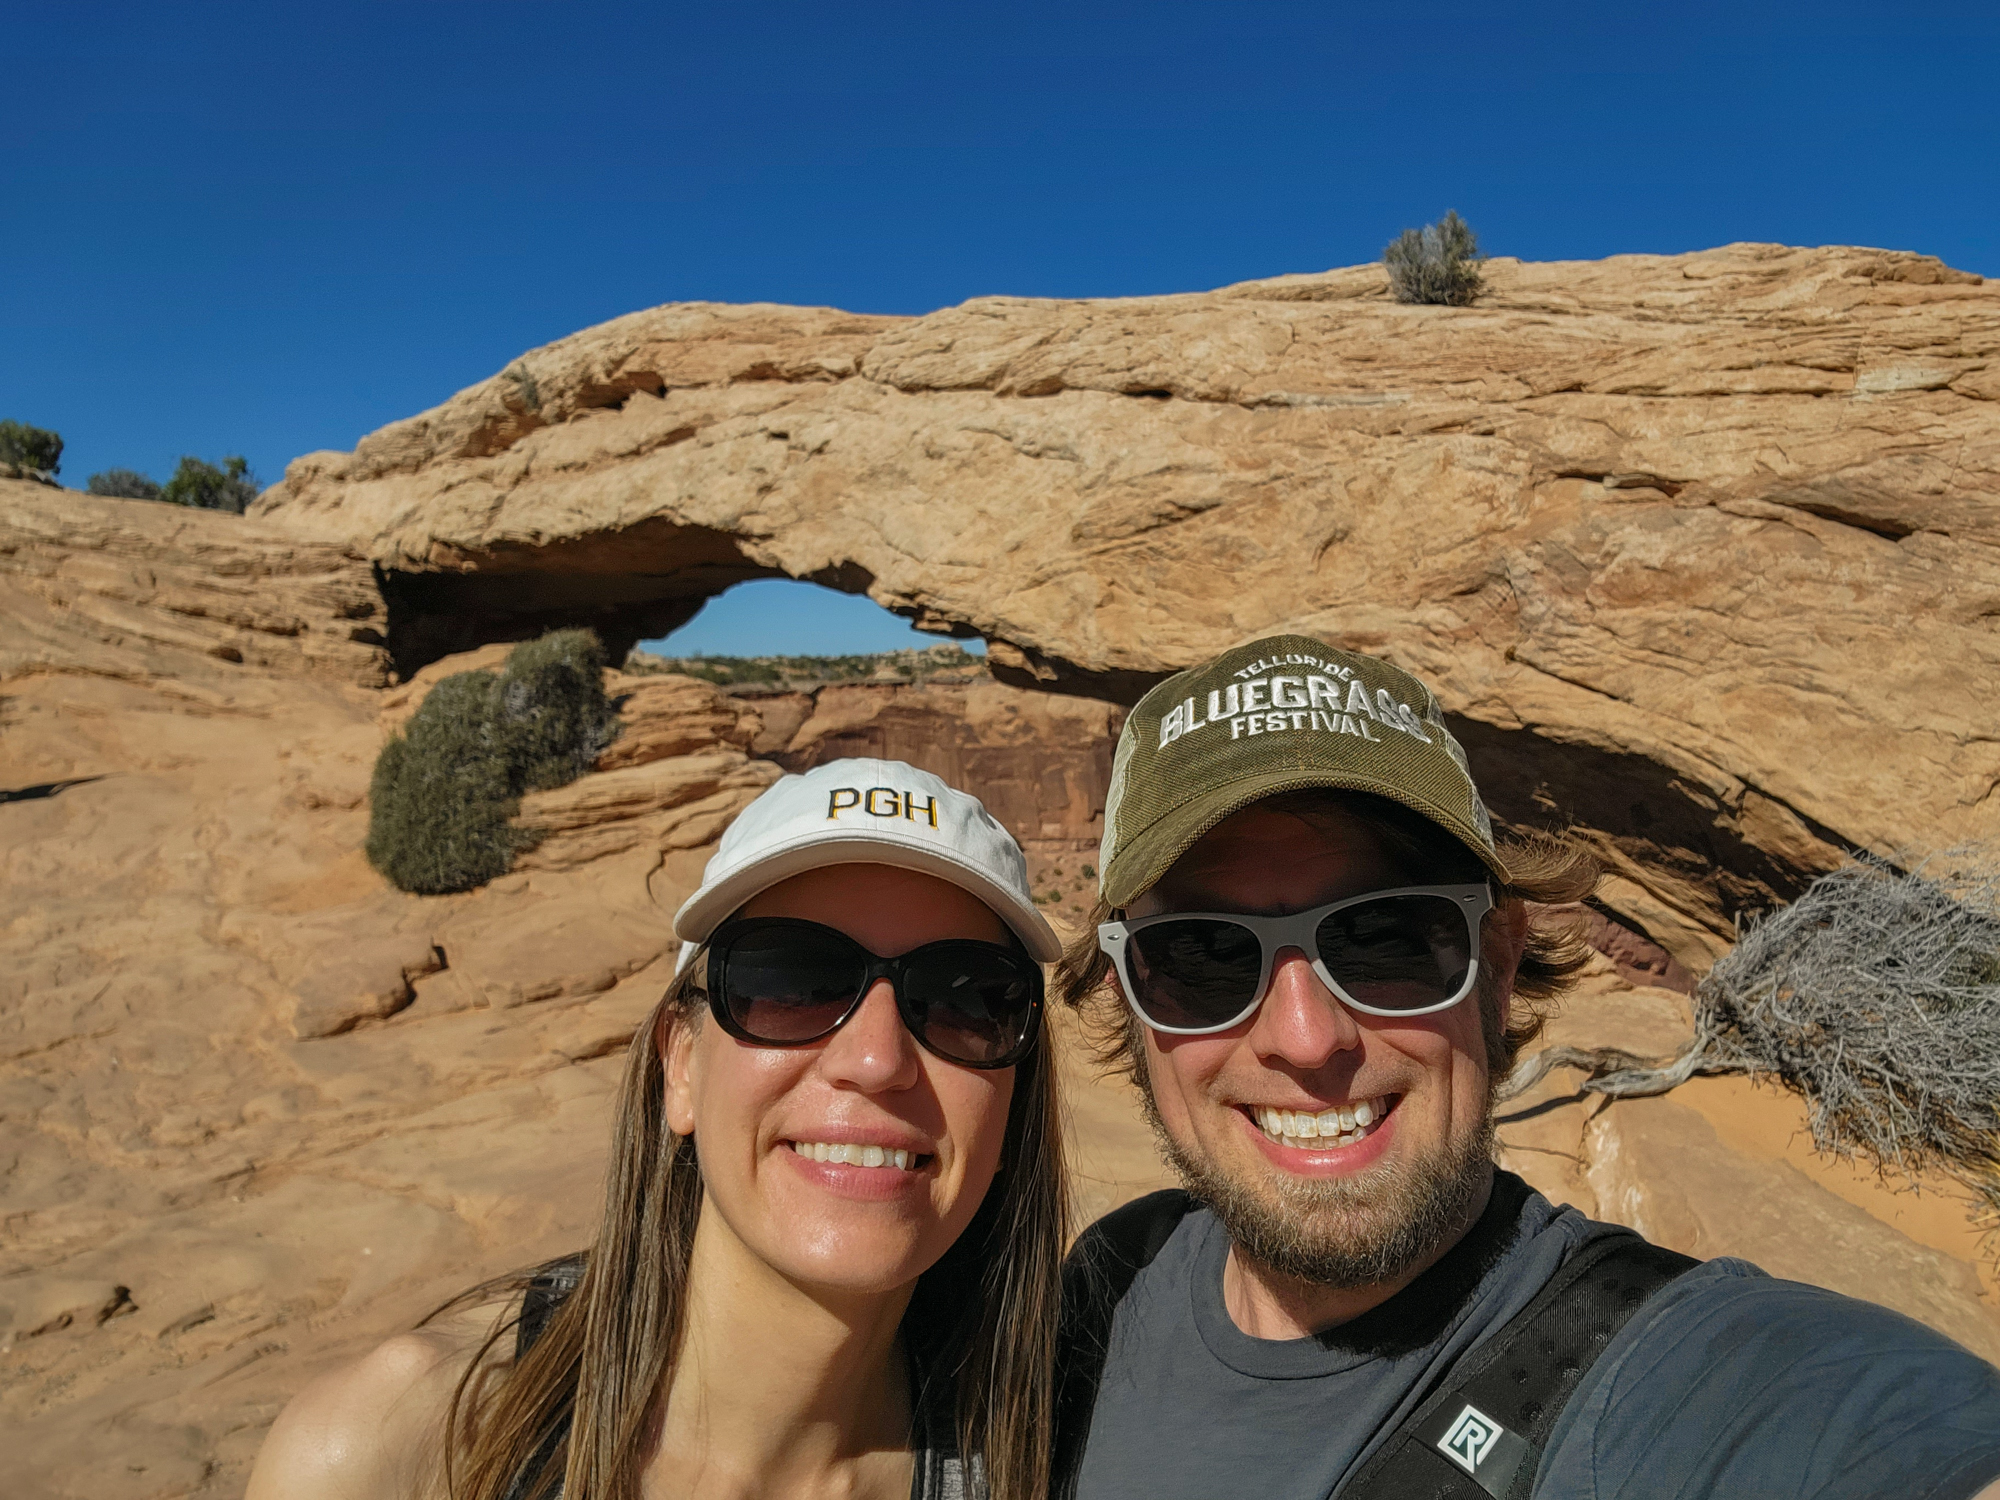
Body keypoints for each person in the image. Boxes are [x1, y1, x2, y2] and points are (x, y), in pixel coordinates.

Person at [1051, 634, 2000, 1500]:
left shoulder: (1692, 1379)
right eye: (1204, 957)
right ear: (1128, 998)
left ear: (1497, 970)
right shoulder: (1117, 1279)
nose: (1307, 1038)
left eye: (1385, 939)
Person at [248, 758, 1067, 1500]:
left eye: (967, 1000)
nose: (878, 1058)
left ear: (1010, 1102)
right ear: (680, 1066)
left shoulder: (1054, 1457)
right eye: (790, 980)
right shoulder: (398, 1449)